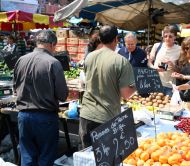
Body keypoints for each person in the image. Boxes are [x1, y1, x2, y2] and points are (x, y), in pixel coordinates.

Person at [13, 30, 68, 166]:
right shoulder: (53, 63)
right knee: (45, 158)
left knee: (27, 158)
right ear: (51, 44)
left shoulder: (21, 60)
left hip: (24, 116)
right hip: (45, 118)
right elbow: (62, 95)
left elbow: (15, 87)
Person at [79, 25, 136, 148]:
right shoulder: (121, 61)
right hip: (105, 118)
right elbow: (126, 94)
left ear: (100, 38)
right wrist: (137, 85)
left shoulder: (90, 57)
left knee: (87, 158)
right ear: (116, 39)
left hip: (86, 115)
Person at [148, 25, 181, 96]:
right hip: (155, 84)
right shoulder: (157, 46)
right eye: (165, 36)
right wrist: (154, 68)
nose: (167, 38)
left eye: (170, 36)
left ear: (175, 37)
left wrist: (172, 65)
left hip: (170, 86)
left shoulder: (179, 49)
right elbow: (149, 62)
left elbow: (180, 70)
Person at [171, 37, 190, 102]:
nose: (186, 50)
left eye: (188, 48)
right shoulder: (181, 60)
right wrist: (175, 73)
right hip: (181, 93)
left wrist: (183, 77)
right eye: (184, 48)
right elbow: (179, 71)